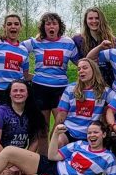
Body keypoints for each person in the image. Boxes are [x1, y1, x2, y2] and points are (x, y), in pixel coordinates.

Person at [20, 12, 79, 152]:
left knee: (60, 126)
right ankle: (43, 161)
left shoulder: (68, 43)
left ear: (59, 26)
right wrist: (25, 72)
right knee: (42, 129)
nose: (51, 26)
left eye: (54, 23)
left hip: (60, 90)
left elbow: (81, 62)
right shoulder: (37, 41)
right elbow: (17, 48)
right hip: (39, 88)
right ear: (43, 27)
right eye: (48, 24)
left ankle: (55, 157)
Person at [0, 79, 45, 168]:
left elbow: (35, 141)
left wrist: (24, 162)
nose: (18, 93)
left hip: (18, 159)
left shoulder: (34, 113)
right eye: (15, 90)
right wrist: (9, 165)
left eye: (22, 90)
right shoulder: (0, 113)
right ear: (9, 94)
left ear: (28, 94)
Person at [54, 59, 110, 146]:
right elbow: (61, 114)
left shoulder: (105, 91)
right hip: (69, 130)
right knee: (58, 141)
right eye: (79, 69)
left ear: (94, 70)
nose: (81, 71)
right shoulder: (70, 88)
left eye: (85, 68)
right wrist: (54, 133)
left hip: (91, 133)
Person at [73, 7, 116, 83]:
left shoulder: (113, 41)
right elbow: (75, 60)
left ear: (102, 20)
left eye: (97, 18)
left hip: (109, 83)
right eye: (90, 18)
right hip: (87, 83)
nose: (94, 21)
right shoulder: (77, 40)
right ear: (86, 21)